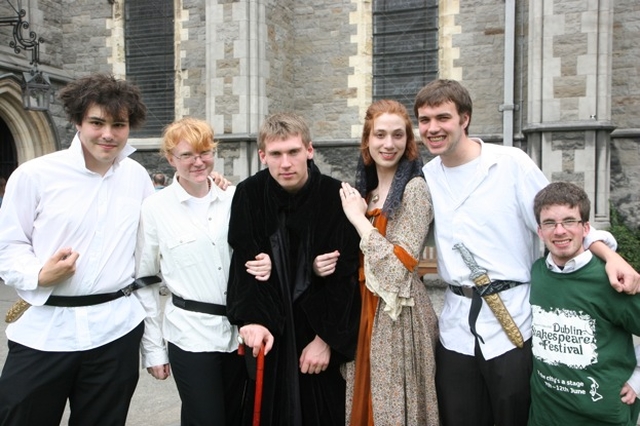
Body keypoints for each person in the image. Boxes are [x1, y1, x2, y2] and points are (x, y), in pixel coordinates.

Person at [414, 78, 640, 426]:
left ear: (464, 119)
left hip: (513, 323)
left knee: (513, 418)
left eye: (442, 118)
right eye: (424, 120)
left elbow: (558, 217)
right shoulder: (427, 176)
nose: (432, 128)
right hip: (456, 323)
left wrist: (610, 255)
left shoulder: (509, 163)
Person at [0, 73, 153, 425]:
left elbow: (151, 246)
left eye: (119, 124)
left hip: (115, 331)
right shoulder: (35, 175)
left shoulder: (136, 177)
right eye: (97, 122)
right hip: (45, 330)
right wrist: (38, 274)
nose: (108, 134)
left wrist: (210, 184)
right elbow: (8, 245)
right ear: (76, 121)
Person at [226, 112, 361, 426]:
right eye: (275, 154)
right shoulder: (249, 194)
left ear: (309, 150)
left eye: (293, 152)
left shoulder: (334, 196)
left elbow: (346, 278)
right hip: (271, 331)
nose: (285, 163)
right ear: (263, 156)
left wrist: (325, 340)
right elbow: (246, 264)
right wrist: (254, 321)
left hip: (315, 333)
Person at [136, 117, 272, 425]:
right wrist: (154, 350)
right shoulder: (155, 208)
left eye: (204, 153)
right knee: (206, 419)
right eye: (187, 155)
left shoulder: (236, 197)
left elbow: (259, 249)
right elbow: (144, 280)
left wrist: (267, 262)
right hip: (190, 335)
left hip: (239, 333)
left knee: (238, 415)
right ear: (171, 159)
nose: (198, 162)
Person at [338, 99, 439, 424]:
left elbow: (398, 270)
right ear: (367, 140)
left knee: (392, 411)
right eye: (380, 135)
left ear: (409, 142)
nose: (389, 143)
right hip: (363, 315)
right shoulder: (364, 194)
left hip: (399, 320)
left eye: (398, 135)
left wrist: (359, 220)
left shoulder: (415, 190)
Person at [529, 182, 640, 425]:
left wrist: (638, 380)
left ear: (586, 228)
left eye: (569, 221)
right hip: (545, 416)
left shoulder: (611, 280)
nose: (559, 231)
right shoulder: (537, 274)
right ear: (539, 230)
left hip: (603, 416)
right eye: (550, 223)